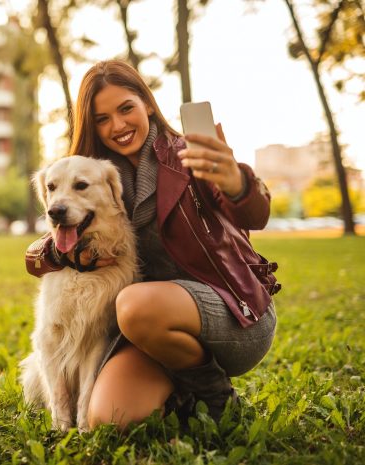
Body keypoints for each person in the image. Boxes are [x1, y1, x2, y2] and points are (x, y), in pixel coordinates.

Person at [25, 59, 281, 429]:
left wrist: (237, 182)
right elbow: (40, 253)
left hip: (231, 314)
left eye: (126, 108)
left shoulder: (189, 156)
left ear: (147, 102)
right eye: (102, 118)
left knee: (133, 303)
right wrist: (56, 251)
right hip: (147, 332)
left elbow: (254, 214)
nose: (118, 125)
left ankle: (217, 398)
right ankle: (182, 394)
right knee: (110, 417)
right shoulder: (91, 176)